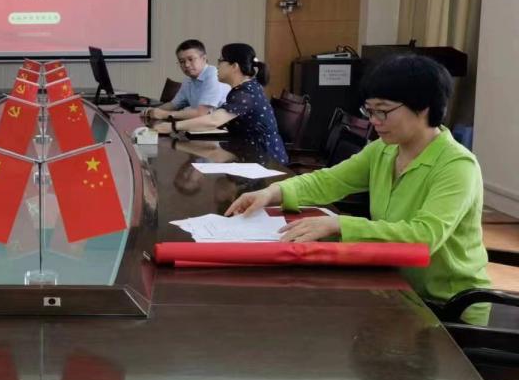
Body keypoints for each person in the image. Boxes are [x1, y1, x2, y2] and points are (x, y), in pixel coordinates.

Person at [225, 54, 491, 323]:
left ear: (423, 108)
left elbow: (424, 237)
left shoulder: (456, 165)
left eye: (383, 111)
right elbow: (328, 181)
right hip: (393, 282)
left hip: (446, 305)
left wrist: (339, 224)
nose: (374, 121)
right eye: (369, 111)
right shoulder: (384, 150)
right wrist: (272, 192)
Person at [151, 42, 289, 164]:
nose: (217, 66)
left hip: (264, 158)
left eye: (220, 61)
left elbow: (213, 120)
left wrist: (172, 127)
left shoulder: (245, 93)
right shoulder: (243, 89)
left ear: (234, 66)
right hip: (246, 151)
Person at [145, 39, 230, 121]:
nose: (186, 65)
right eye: (182, 61)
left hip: (222, 127)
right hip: (200, 124)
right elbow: (174, 104)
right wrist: (152, 111)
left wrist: (165, 114)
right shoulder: (188, 80)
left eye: (191, 59)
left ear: (204, 58)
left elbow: (202, 113)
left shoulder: (213, 75)